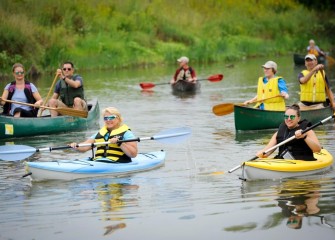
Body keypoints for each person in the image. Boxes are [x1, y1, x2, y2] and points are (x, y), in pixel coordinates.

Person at [69, 107, 138, 163]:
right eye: (105, 118)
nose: (108, 120)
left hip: (118, 163)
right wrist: (76, 146)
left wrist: (120, 143)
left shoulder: (127, 133)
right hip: (99, 162)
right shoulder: (100, 133)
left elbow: (133, 154)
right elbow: (84, 147)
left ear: (118, 119)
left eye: (111, 117)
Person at [256, 104, 321, 160]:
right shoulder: (278, 133)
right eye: (286, 116)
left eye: (292, 117)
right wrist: (262, 153)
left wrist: (305, 137)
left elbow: (318, 150)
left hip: (302, 162)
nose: (289, 119)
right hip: (283, 162)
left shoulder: (307, 131)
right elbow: (268, 151)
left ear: (298, 118)